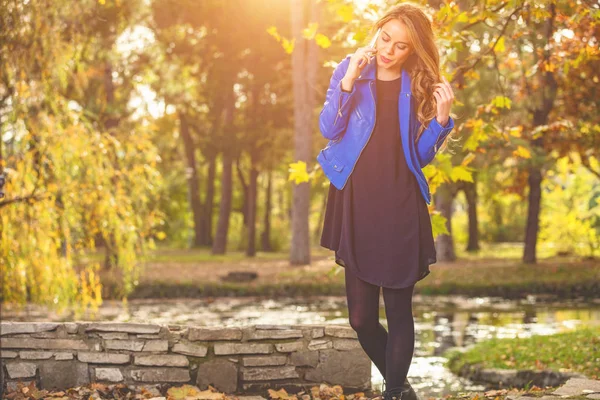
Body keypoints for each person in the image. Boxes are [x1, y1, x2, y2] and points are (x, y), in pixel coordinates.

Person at [317, 3, 456, 400]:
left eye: (401, 46)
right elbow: (329, 127)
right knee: (360, 318)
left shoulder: (417, 85)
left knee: (398, 310)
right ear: (377, 31)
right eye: (385, 37)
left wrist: (442, 122)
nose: (389, 50)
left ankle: (394, 391)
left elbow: (419, 155)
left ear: (413, 51)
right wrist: (346, 83)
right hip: (357, 201)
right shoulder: (350, 68)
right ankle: (402, 386)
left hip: (400, 202)